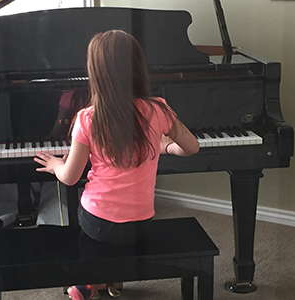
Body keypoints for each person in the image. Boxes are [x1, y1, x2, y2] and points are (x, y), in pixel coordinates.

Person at [34, 29, 199, 300]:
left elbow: (70, 178)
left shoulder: (87, 118)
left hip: (98, 223)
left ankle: (88, 281)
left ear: (95, 73)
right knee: (118, 224)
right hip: (141, 223)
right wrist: (166, 145)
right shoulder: (158, 108)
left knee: (87, 213)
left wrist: (54, 165)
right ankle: (111, 276)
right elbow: (191, 147)